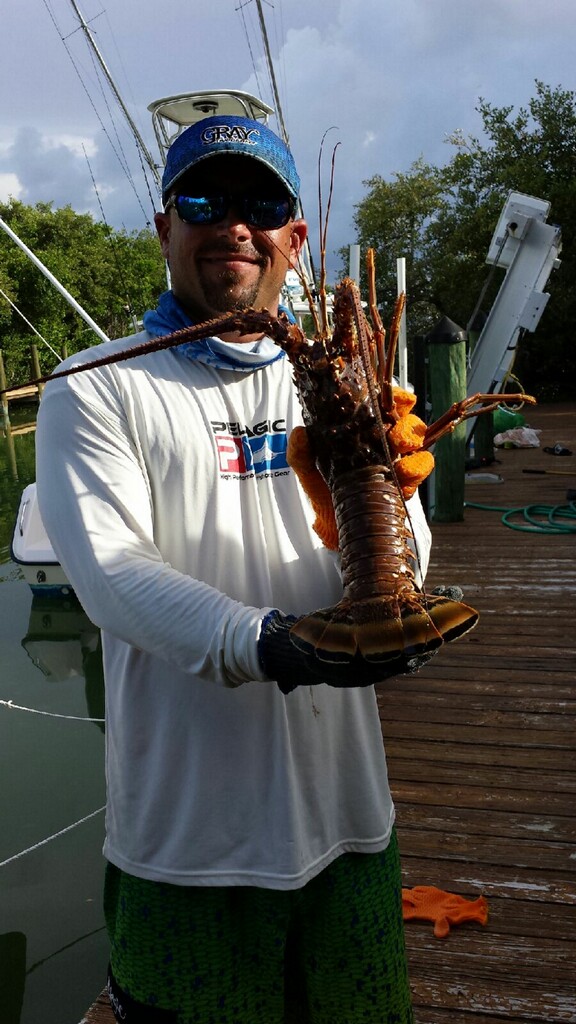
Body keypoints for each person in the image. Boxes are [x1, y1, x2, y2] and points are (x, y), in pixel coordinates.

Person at [36, 114, 431, 1024]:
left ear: (295, 235)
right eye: (205, 200)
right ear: (166, 227)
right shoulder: (96, 385)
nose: (234, 223)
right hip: (185, 848)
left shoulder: (349, 371)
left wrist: (393, 505)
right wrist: (270, 643)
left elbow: (408, 551)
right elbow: (110, 572)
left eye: (262, 203)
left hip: (350, 824)